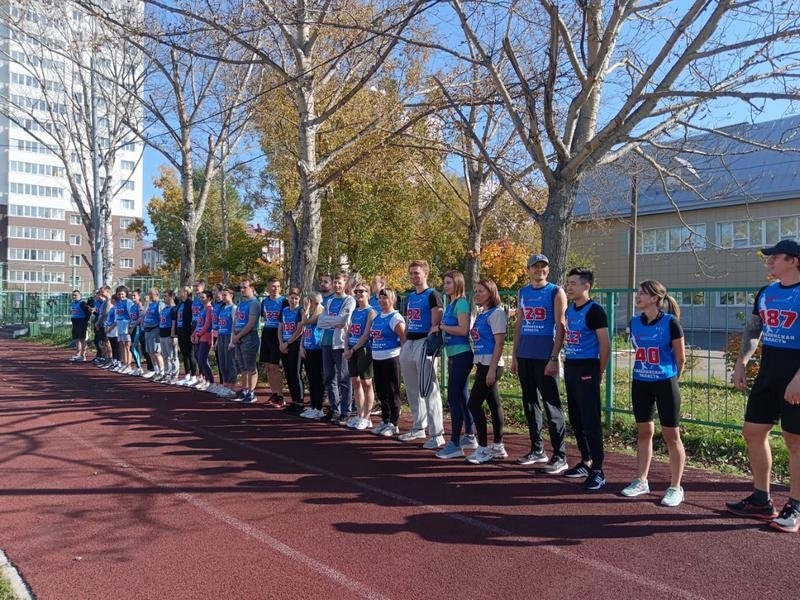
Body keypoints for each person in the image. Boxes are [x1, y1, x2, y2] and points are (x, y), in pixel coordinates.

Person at [727, 239, 800, 532]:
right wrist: (742, 361)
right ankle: (761, 499)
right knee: (753, 432)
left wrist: (799, 378)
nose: (769, 262)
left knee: (795, 442)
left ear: (794, 260)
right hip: (769, 373)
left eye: (775, 258)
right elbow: (754, 329)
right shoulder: (766, 293)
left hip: (796, 375)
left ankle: (795, 506)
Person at [621, 280, 687, 507]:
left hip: (665, 383)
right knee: (644, 432)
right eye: (637, 293)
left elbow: (680, 359)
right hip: (640, 382)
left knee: (671, 435)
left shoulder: (671, 323)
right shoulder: (635, 322)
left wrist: (669, 381)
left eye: (642, 293)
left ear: (655, 299)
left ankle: (675, 487)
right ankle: (641, 480)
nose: (637, 296)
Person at [510, 254, 569, 474]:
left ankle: (560, 454)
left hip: (545, 357)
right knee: (530, 403)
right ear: (528, 270)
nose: (539, 270)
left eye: (543, 267)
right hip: (526, 354)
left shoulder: (555, 291)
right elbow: (521, 323)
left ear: (548, 269)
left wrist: (554, 357)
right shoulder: (523, 292)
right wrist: (515, 355)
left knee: (552, 405)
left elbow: (560, 326)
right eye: (535, 267)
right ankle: (537, 449)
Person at [562, 267, 611, 491]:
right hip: (571, 366)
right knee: (576, 418)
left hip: (588, 367)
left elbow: (605, 345)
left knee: (590, 420)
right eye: (568, 283)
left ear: (586, 286)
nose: (569, 287)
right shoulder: (570, 310)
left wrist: (599, 372)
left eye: (573, 283)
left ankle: (598, 470)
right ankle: (585, 460)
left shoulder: (595, 311)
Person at [399, 260, 445, 449]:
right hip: (409, 343)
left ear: (425, 274)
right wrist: (405, 343)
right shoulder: (410, 297)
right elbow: (409, 320)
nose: (413, 276)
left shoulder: (432, 295)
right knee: (412, 388)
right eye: (411, 273)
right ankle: (419, 426)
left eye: (417, 273)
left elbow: (436, 321)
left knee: (429, 388)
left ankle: (437, 434)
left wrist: (429, 342)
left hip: (424, 344)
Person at [465, 278, 508, 464]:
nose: (477, 294)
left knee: (473, 404)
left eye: (481, 291)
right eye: (475, 291)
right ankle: (498, 446)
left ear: (491, 293)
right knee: (494, 403)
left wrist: (491, 369)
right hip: (482, 363)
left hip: (492, 364)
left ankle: (483, 448)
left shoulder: (497, 313)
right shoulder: (483, 313)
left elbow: (499, 343)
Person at [434, 271, 477, 459]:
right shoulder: (450, 303)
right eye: (445, 282)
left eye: (449, 282)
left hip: (461, 355)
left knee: (453, 397)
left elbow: (463, 329)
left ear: (458, 284)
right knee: (462, 395)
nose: (446, 285)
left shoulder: (461, 303)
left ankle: (455, 443)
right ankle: (469, 434)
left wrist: (442, 327)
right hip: (453, 355)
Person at [317, 272, 356, 423]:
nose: (337, 285)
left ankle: (346, 411)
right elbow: (321, 322)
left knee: (344, 378)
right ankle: (335, 409)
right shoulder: (330, 301)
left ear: (345, 284)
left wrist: (330, 320)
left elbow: (343, 322)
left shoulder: (350, 300)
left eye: (340, 282)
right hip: (326, 342)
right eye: (335, 282)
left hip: (340, 343)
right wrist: (332, 321)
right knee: (329, 378)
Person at [369, 288, 406, 436]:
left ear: (392, 300)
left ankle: (393, 423)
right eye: (380, 298)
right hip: (377, 357)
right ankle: (385, 420)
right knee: (381, 391)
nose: (382, 301)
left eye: (386, 298)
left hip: (391, 358)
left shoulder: (395, 317)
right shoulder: (377, 317)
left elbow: (403, 337)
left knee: (392, 391)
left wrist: (403, 356)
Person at [345, 282, 377, 430]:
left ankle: (367, 417)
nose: (358, 294)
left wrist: (354, 349)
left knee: (366, 383)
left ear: (368, 294)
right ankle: (359, 414)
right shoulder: (354, 311)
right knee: (355, 382)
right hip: (351, 349)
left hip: (364, 349)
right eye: (356, 291)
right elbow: (348, 331)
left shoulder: (371, 311)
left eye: (362, 291)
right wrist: (346, 348)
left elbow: (366, 334)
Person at [230, 277, 261, 403]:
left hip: (249, 337)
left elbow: (251, 323)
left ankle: (251, 392)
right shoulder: (241, 303)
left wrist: (239, 336)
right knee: (242, 366)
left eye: (245, 287)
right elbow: (236, 320)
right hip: (238, 336)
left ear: (252, 288)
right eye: (241, 288)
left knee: (250, 366)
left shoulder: (255, 303)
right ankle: (244, 389)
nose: (242, 290)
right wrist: (234, 336)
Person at [259, 277, 289, 405]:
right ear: (268, 287)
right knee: (268, 366)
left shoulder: (284, 301)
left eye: (277, 286)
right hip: (267, 332)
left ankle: (281, 396)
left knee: (274, 366)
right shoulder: (264, 301)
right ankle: (274, 393)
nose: (275, 288)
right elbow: (264, 316)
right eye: (273, 286)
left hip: (278, 333)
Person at [278, 288, 306, 414]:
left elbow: (300, 329)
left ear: (299, 299)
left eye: (296, 298)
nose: (293, 300)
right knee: (288, 372)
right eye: (291, 298)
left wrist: (289, 342)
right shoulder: (284, 310)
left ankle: (299, 402)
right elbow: (280, 327)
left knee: (295, 372)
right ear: (288, 298)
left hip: (295, 343)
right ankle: (293, 401)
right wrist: (281, 343)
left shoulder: (300, 311)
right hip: (284, 343)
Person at [300, 292, 326, 419]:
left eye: (309, 300)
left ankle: (319, 407)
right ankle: (313, 405)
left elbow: (304, 323)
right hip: (308, 347)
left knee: (317, 379)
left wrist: (305, 309)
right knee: (311, 379)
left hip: (318, 349)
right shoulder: (310, 312)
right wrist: (301, 346)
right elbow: (305, 330)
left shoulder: (321, 312)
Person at [214, 287, 238, 399]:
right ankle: (225, 385)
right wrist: (217, 340)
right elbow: (220, 325)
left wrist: (232, 341)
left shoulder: (234, 308)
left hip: (229, 336)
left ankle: (231, 387)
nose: (223, 297)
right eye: (222, 295)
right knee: (222, 361)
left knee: (230, 362)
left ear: (231, 295)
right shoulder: (223, 308)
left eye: (225, 295)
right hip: (222, 336)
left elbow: (234, 325)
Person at [176, 286, 199, 387]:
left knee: (190, 353)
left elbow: (193, 317)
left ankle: (193, 375)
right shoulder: (180, 304)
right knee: (184, 353)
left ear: (186, 292)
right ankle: (187, 374)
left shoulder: (190, 303)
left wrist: (192, 331)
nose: (179, 292)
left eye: (181, 291)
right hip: (180, 331)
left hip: (188, 331)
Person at [192, 290, 215, 390]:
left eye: (203, 297)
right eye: (200, 297)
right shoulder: (202, 309)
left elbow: (207, 324)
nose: (201, 299)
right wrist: (193, 334)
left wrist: (199, 334)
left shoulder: (209, 308)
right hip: (199, 336)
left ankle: (211, 381)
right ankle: (205, 380)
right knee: (199, 359)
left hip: (206, 337)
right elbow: (199, 324)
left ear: (209, 298)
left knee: (202, 359)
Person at [142, 288, 165, 380]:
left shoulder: (160, 304)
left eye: (152, 294)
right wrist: (146, 304)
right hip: (147, 330)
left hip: (155, 330)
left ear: (157, 295)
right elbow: (144, 314)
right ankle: (156, 371)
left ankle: (162, 371)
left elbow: (162, 317)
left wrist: (160, 331)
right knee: (150, 352)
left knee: (156, 352)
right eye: (149, 294)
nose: (150, 296)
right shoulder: (150, 304)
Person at [159, 290, 179, 383]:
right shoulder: (164, 309)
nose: (164, 298)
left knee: (172, 356)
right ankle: (167, 374)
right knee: (165, 356)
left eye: (166, 296)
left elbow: (174, 323)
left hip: (169, 335)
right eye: (164, 296)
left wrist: (173, 336)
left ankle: (174, 375)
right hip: (162, 334)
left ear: (172, 297)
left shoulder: (174, 309)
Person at [113, 286, 135, 374]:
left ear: (126, 294)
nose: (121, 295)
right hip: (120, 325)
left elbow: (131, 314)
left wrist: (131, 325)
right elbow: (117, 314)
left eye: (122, 294)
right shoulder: (118, 303)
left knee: (127, 345)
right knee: (122, 345)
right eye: (119, 294)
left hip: (126, 324)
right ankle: (124, 363)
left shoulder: (128, 302)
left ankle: (128, 365)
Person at [69, 290, 91, 362]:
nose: (74, 297)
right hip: (75, 322)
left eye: (76, 295)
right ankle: (78, 354)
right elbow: (73, 312)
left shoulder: (83, 303)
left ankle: (83, 355)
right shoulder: (73, 304)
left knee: (82, 339)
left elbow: (88, 313)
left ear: (80, 295)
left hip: (82, 322)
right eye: (73, 295)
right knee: (77, 339)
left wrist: (85, 321)